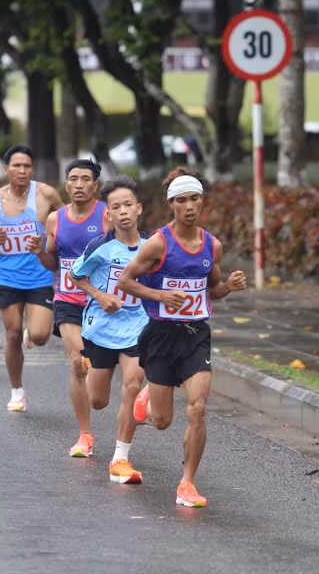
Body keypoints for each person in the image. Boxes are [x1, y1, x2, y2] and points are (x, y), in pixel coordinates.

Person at [118, 167, 247, 508]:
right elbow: (126, 282)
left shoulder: (211, 245)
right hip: (161, 335)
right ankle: (147, 394)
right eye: (181, 200)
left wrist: (229, 288)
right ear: (171, 204)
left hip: (195, 334)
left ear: (202, 202)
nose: (189, 206)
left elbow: (213, 290)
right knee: (162, 422)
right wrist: (161, 296)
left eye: (194, 199)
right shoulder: (158, 243)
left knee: (198, 408)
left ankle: (187, 483)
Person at [70, 176, 149, 483]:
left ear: (139, 208)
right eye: (116, 207)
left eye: (128, 204)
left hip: (137, 326)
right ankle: (91, 365)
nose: (124, 211)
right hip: (101, 329)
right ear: (109, 214)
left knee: (131, 386)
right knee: (98, 401)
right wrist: (101, 296)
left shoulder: (152, 246)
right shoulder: (100, 247)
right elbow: (78, 276)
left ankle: (121, 459)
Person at [0, 145, 63, 411]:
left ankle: (32, 335)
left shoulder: (46, 194)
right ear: (7, 169)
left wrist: (51, 240)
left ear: (31, 168)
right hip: (7, 277)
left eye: (27, 165)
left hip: (40, 276)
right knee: (12, 334)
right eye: (17, 166)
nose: (22, 170)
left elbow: (68, 221)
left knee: (40, 336)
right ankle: (17, 391)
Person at [39, 159, 107, 458]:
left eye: (85, 179)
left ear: (96, 185)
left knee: (95, 372)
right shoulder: (55, 219)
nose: (79, 184)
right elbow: (53, 262)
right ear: (65, 185)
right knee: (77, 362)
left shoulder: (108, 215)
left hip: (101, 302)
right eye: (73, 178)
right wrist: (39, 252)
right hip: (67, 300)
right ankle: (85, 435)